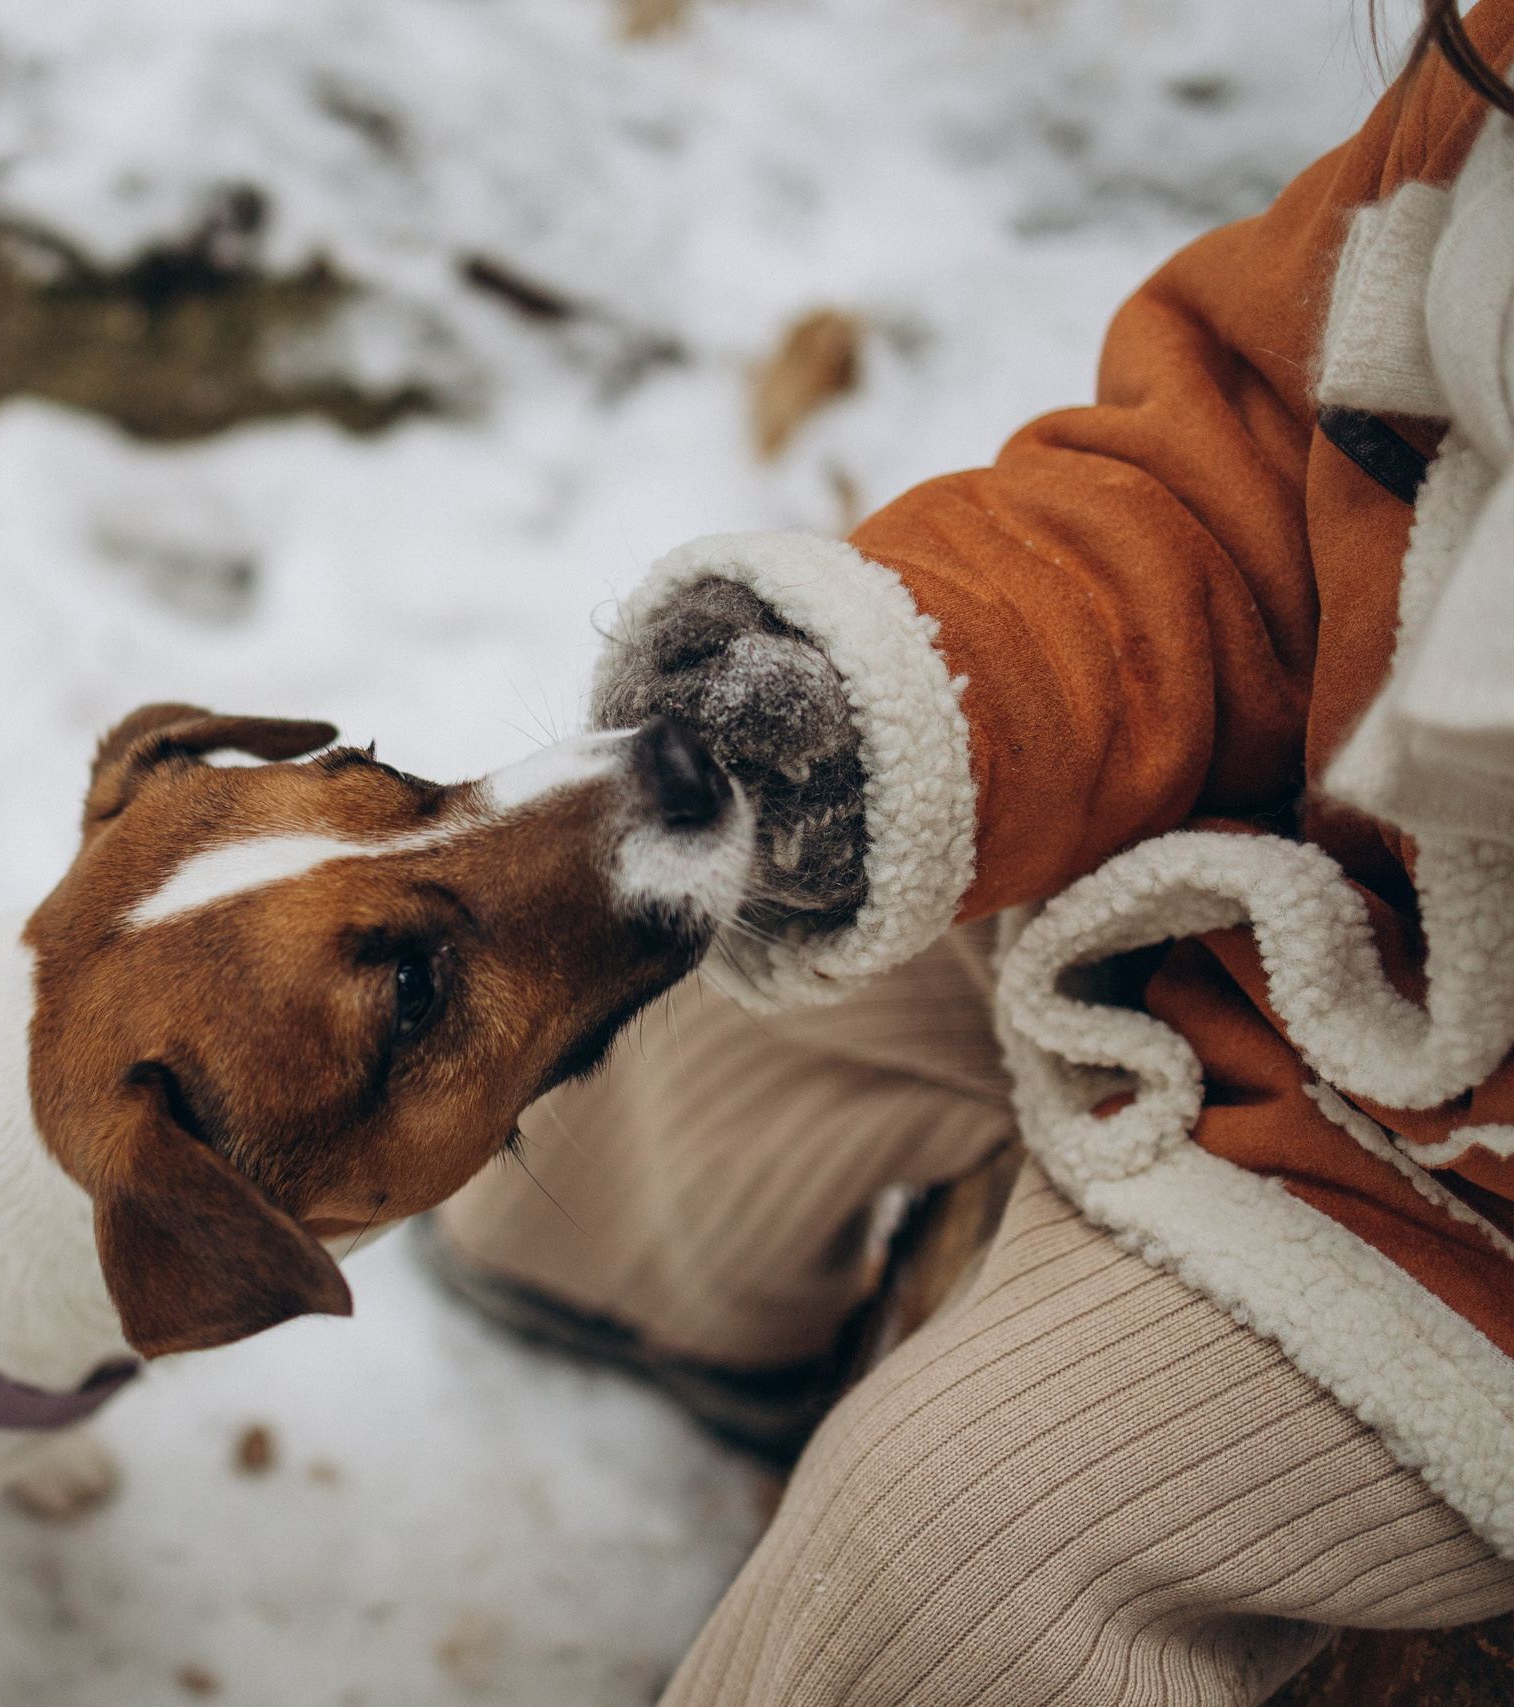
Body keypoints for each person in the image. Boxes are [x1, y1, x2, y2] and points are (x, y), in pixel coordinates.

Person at [425, 4, 1514, 1701]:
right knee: (706, 956)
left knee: (959, 1547)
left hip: (1466, 1225)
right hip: (1323, 895)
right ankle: (608, 1300)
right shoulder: (1495, 98)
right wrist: (925, 688)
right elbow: (1233, 473)